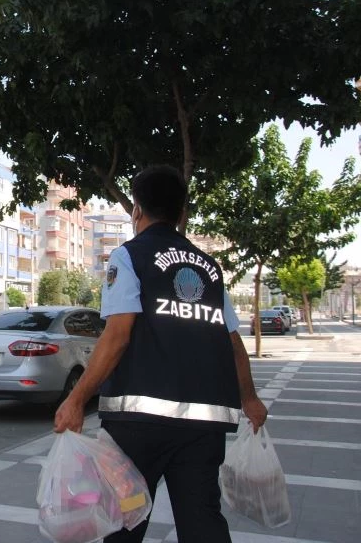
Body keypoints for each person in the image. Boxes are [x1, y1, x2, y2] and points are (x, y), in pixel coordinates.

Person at [54, 165, 267, 543]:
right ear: (183, 213)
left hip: (137, 428)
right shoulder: (210, 268)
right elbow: (232, 341)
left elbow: (117, 335)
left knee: (126, 519)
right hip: (203, 426)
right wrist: (249, 399)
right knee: (202, 521)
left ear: (136, 210)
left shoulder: (128, 257)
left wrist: (76, 398)